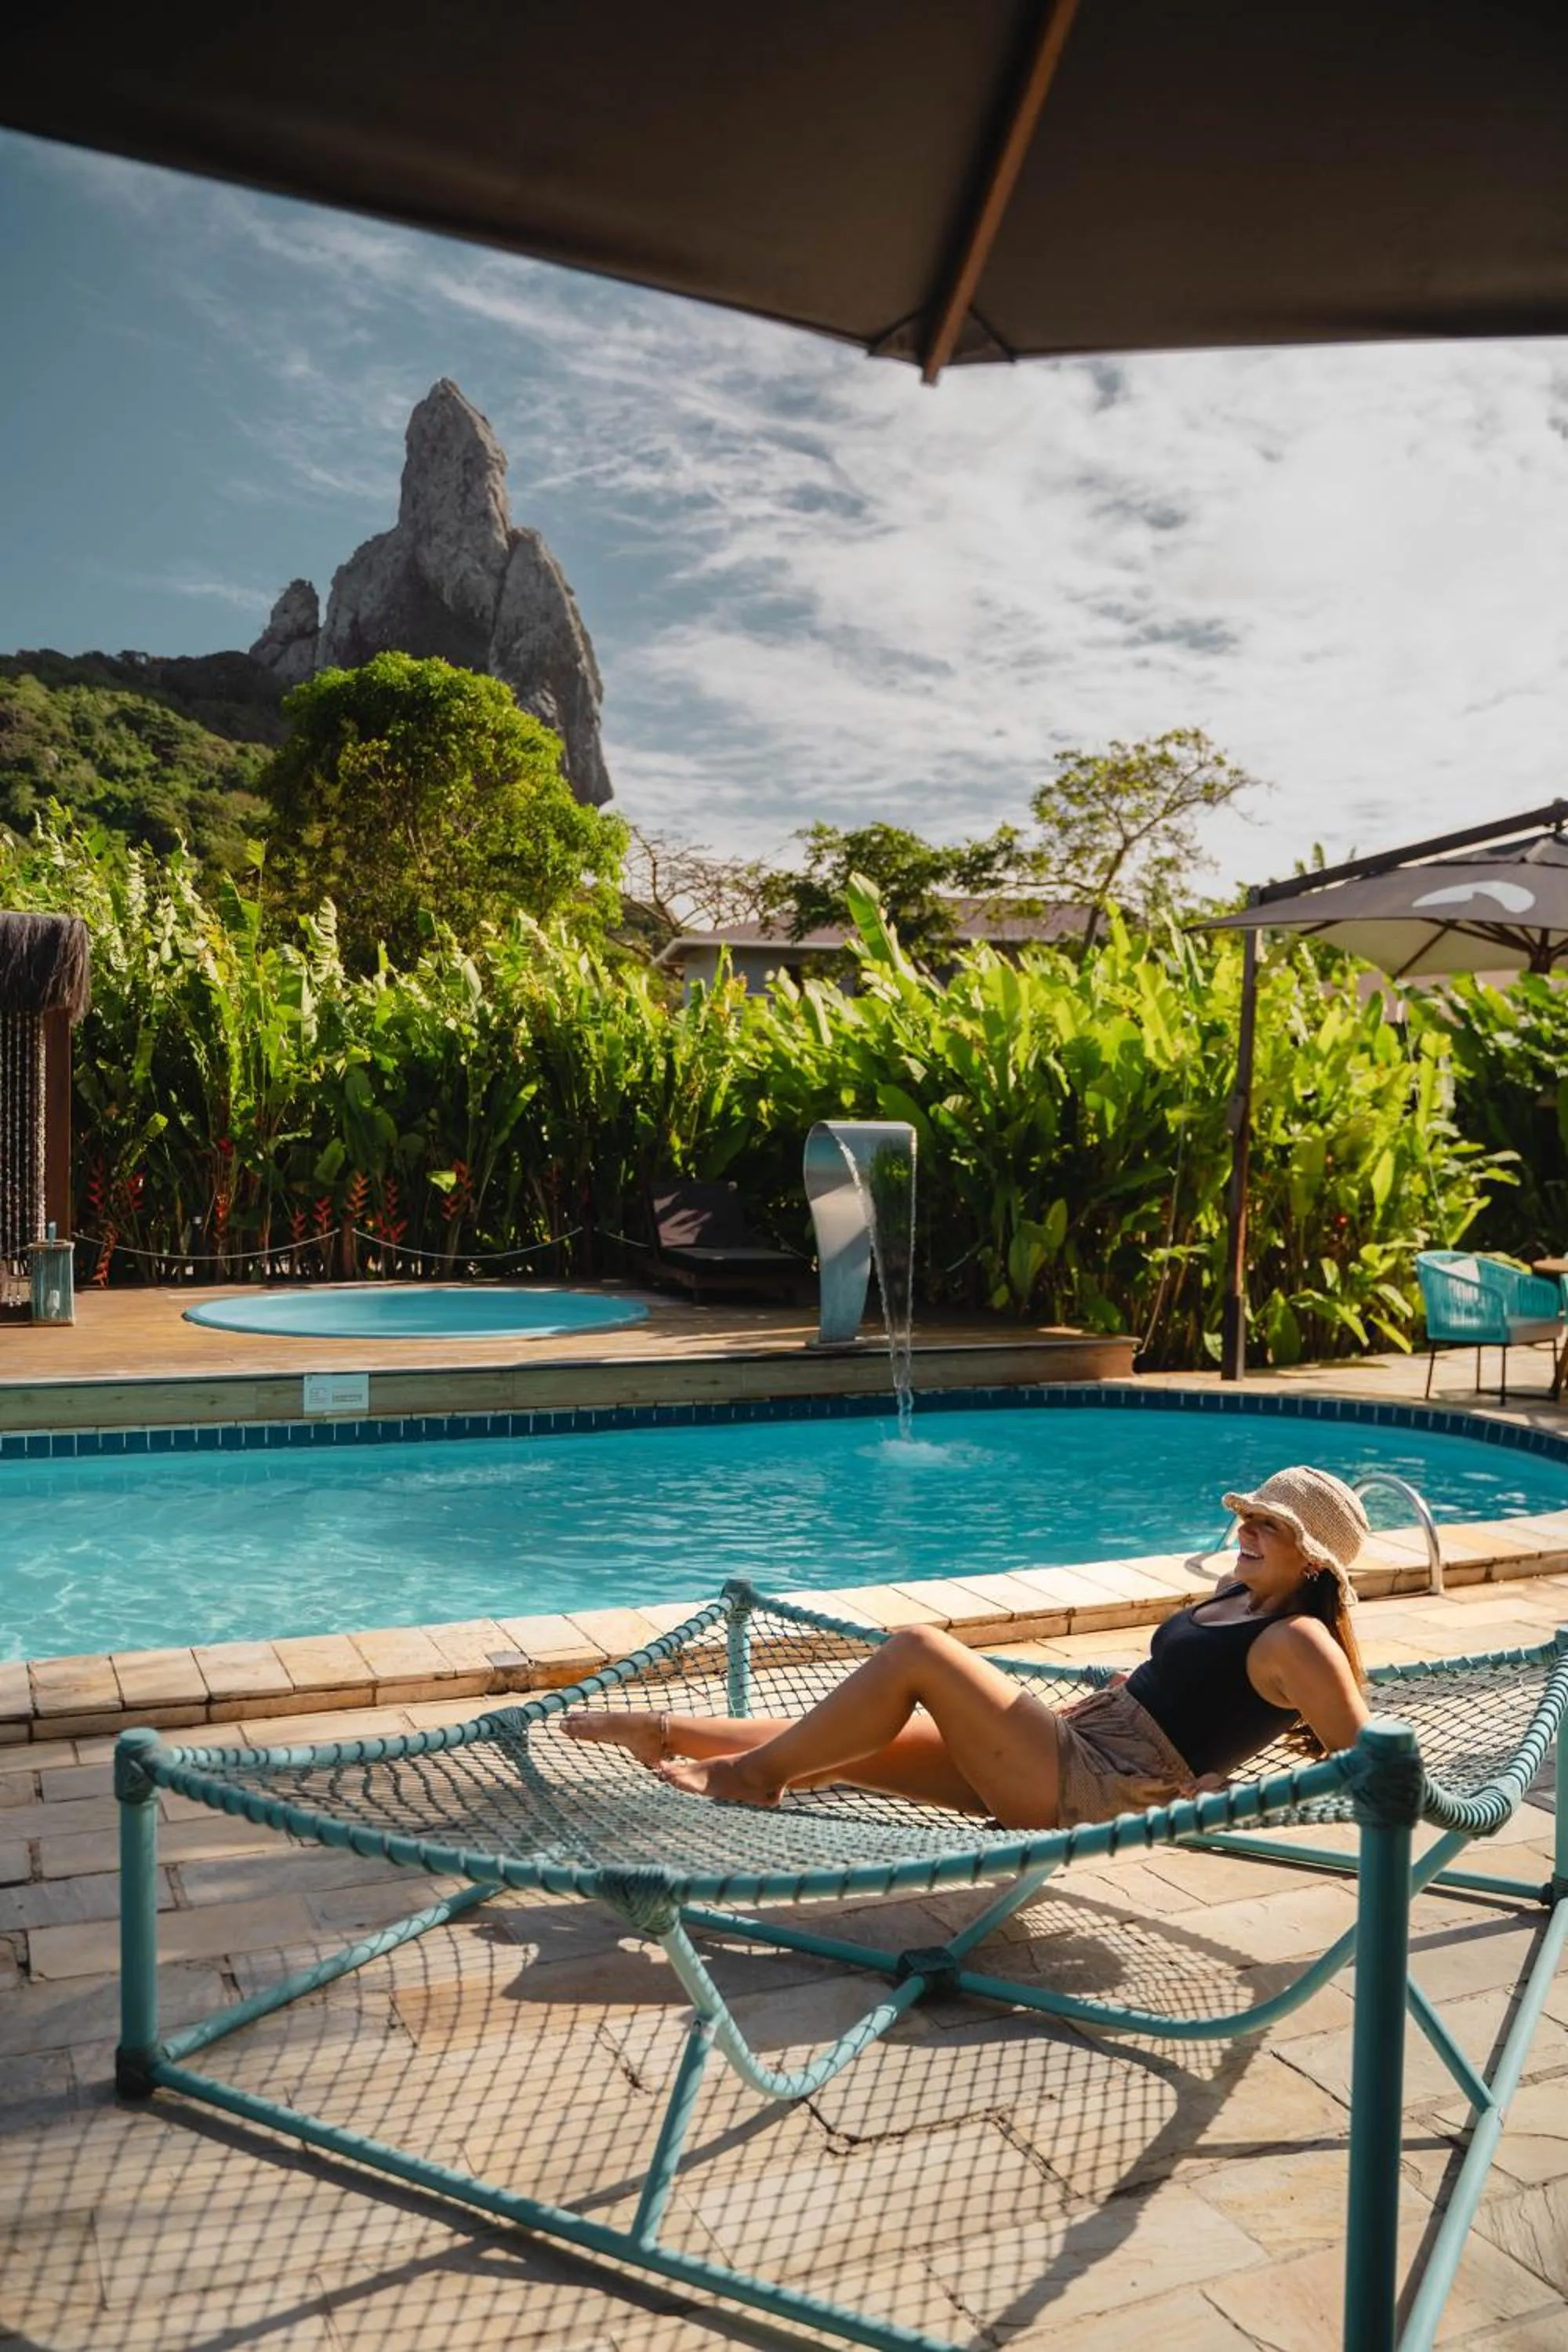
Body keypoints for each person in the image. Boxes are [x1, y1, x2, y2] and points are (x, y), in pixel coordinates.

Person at [563, 1465, 1373, 1831]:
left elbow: (1371, 1765)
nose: (1247, 1529)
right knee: (852, 1744)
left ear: (1312, 1562)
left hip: (1099, 1786)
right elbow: (1200, 1688)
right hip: (1077, 1739)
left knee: (918, 1649)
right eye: (1249, 1516)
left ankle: (749, 1779)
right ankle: (666, 1733)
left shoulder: (1300, 1639)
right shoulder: (1237, 1593)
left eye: (1270, 1526)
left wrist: (1235, 1796)